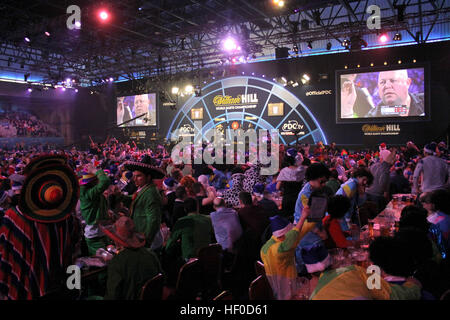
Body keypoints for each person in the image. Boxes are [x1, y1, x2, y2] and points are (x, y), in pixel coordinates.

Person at [0, 156, 79, 299]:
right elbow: (75, 259)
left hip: (27, 289)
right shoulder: (70, 221)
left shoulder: (13, 218)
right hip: (62, 288)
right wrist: (74, 290)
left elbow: (5, 260)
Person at [310, 236, 422, 300]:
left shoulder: (313, 297)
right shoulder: (354, 270)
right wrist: (413, 286)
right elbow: (389, 294)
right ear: (333, 262)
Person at [102, 216, 163, 300]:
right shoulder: (151, 254)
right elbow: (162, 279)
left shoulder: (117, 262)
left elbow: (112, 296)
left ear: (116, 240)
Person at [260, 206, 313, 300]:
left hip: (287, 282)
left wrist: (316, 215)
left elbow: (302, 229)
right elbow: (291, 238)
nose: (293, 232)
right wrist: (302, 217)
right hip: (284, 288)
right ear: (282, 235)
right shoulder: (278, 248)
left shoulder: (277, 240)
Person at [123, 155, 165, 249]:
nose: (134, 179)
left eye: (139, 176)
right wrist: (120, 196)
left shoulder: (151, 194)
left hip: (150, 243)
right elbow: (133, 199)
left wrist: (146, 242)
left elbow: (153, 221)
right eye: (134, 176)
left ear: (148, 177)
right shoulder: (143, 189)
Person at [79, 163, 111, 256]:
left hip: (101, 233)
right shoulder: (88, 194)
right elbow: (105, 181)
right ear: (94, 182)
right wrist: (94, 171)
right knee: (103, 263)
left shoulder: (94, 194)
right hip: (94, 236)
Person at [366, 146, 396, 214]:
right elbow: (383, 184)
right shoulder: (385, 169)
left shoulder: (373, 165)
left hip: (368, 195)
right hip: (377, 197)